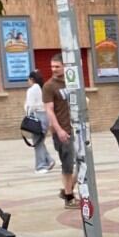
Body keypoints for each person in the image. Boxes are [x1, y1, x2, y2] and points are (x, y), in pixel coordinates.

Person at [42, 57, 78, 206]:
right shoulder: (49, 86)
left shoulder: (71, 82)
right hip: (62, 131)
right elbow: (49, 110)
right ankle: (69, 197)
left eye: (57, 66)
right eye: (52, 67)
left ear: (65, 67)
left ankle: (67, 190)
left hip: (75, 128)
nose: (54, 69)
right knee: (68, 165)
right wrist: (59, 130)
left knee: (83, 163)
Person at [22, 69, 53, 174]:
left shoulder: (32, 90)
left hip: (37, 116)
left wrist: (27, 115)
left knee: (37, 142)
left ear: (31, 79)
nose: (28, 82)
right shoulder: (43, 88)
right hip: (45, 116)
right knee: (40, 141)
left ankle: (41, 166)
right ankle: (49, 160)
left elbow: (30, 105)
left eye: (28, 79)